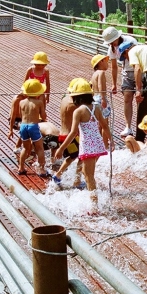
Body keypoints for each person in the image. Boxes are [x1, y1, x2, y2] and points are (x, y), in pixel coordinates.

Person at [54, 78, 112, 210]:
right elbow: (104, 125)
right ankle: (93, 201)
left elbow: (73, 133)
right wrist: (110, 140)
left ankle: (94, 206)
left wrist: (61, 148)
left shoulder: (78, 111)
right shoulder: (96, 107)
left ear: (77, 98)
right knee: (88, 173)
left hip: (88, 146)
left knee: (88, 176)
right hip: (97, 144)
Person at [102, 26, 138, 137]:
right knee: (127, 97)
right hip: (126, 72)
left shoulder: (131, 41)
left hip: (138, 70)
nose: (112, 44)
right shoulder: (111, 48)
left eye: (113, 41)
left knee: (139, 99)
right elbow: (114, 66)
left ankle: (140, 126)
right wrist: (114, 84)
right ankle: (128, 126)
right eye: (110, 43)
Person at [52, 78, 84, 187]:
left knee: (74, 156)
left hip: (63, 133)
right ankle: (75, 180)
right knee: (81, 156)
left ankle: (60, 174)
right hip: (70, 136)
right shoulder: (73, 105)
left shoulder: (64, 99)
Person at [14, 79, 48, 177]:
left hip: (23, 125)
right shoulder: (39, 103)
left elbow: (21, 115)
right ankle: (41, 169)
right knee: (40, 148)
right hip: (33, 126)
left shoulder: (22, 102)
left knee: (25, 147)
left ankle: (21, 167)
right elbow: (43, 116)